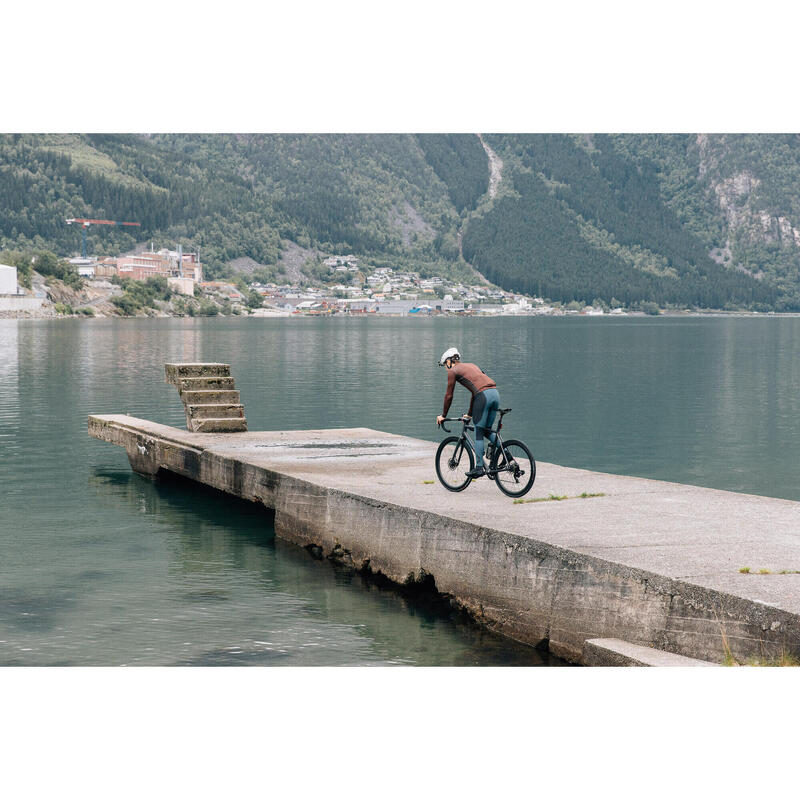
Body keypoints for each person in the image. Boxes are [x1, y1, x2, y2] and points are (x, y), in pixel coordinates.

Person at [436, 347, 500, 478]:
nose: (445, 368)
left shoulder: (453, 371)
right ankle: (508, 456)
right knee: (487, 430)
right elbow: (475, 392)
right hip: (494, 394)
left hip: (483, 396)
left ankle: (479, 467)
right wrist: (470, 414)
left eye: (444, 365)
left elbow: (449, 395)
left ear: (449, 361)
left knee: (478, 431)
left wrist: (443, 415)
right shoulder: (472, 365)